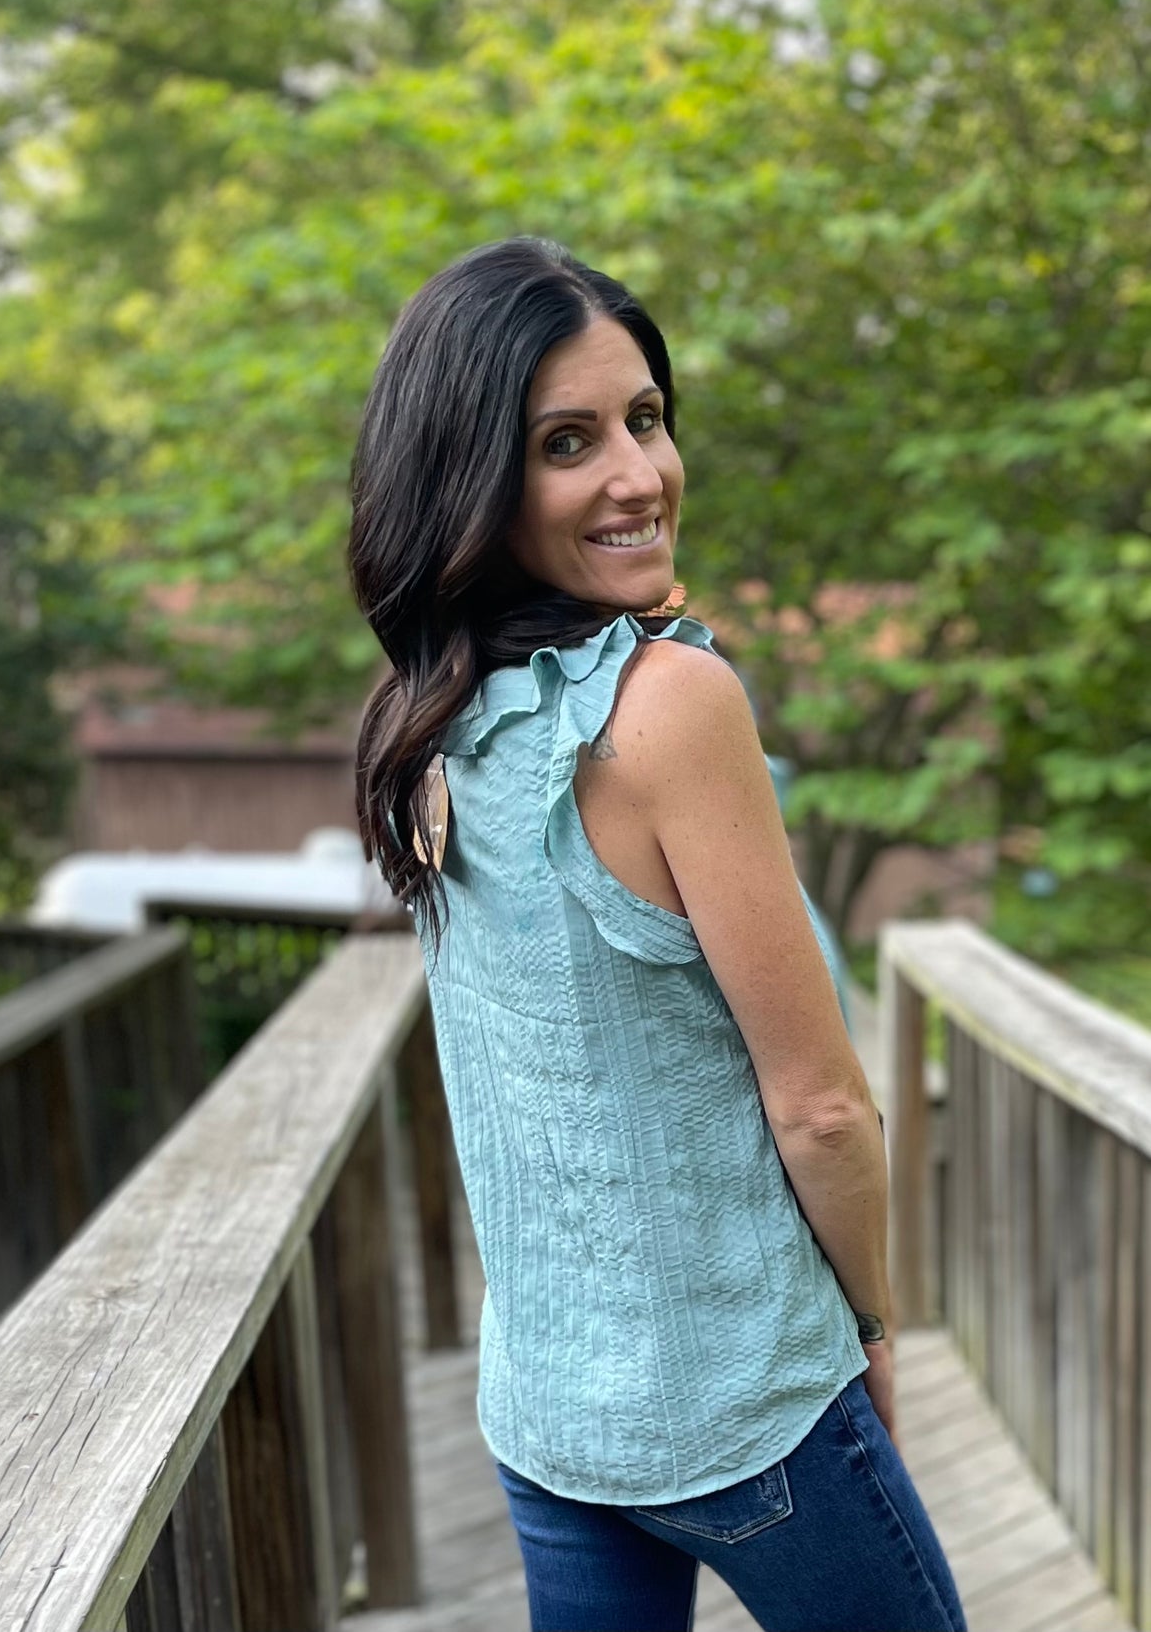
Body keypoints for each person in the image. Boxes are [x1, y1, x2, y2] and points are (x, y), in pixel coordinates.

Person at [348, 236, 965, 1632]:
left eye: (644, 419)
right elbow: (819, 1109)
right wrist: (868, 1327)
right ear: (469, 477)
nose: (637, 473)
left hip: (549, 1409)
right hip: (742, 1399)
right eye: (567, 442)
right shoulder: (673, 706)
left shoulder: (425, 719)